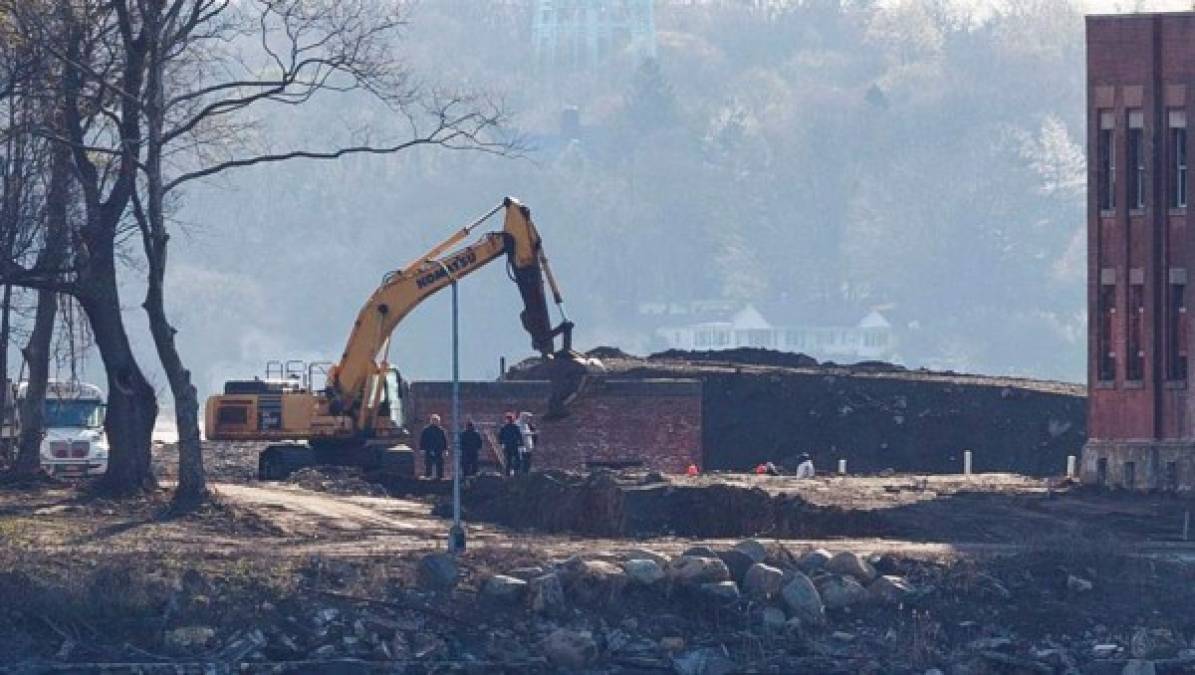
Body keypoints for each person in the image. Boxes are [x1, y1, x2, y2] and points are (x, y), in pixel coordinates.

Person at [420, 414, 448, 480]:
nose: (435, 422)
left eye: (437, 420)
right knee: (428, 463)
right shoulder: (426, 430)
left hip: (438, 449)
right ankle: (428, 476)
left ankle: (440, 477)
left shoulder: (441, 430)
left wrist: (445, 449)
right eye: (434, 420)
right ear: (431, 421)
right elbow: (423, 440)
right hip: (429, 449)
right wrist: (422, 449)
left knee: (439, 464)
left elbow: (444, 440)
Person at [498, 412, 523, 476]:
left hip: (510, 445)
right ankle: (514, 472)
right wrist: (521, 443)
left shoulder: (505, 427)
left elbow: (500, 437)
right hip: (512, 445)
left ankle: (510, 473)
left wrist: (501, 443)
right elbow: (519, 436)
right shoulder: (512, 427)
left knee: (510, 460)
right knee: (514, 460)